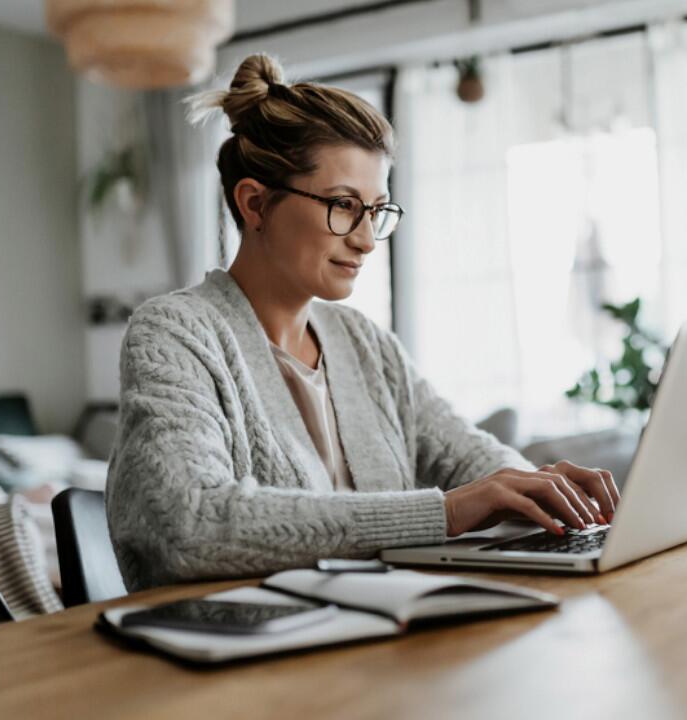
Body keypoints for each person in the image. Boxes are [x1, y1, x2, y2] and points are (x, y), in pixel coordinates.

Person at [106, 53, 620, 591]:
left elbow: (469, 458)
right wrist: (442, 514)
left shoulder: (364, 343)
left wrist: (541, 489)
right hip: (237, 655)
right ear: (255, 204)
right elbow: (191, 522)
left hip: (376, 636)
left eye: (376, 210)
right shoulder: (175, 332)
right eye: (345, 206)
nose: (367, 239)